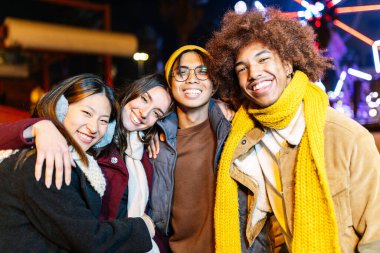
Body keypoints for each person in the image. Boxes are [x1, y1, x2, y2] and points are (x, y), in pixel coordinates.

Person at [206, 8, 380, 253]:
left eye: (263, 59)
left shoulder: (348, 138)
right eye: (241, 68)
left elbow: (376, 236)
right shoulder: (246, 141)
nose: (253, 73)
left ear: (288, 63)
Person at [0, 73, 174, 252]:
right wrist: (40, 127)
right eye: (145, 99)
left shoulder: (146, 153)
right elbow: (89, 238)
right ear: (62, 108)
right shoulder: (51, 155)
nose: (145, 113)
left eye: (156, 113)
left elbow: (155, 218)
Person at [149, 45, 232, 253]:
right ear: (170, 83)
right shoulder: (153, 140)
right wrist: (51, 125)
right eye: (182, 72)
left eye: (203, 72)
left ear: (213, 85)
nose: (191, 79)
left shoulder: (235, 130)